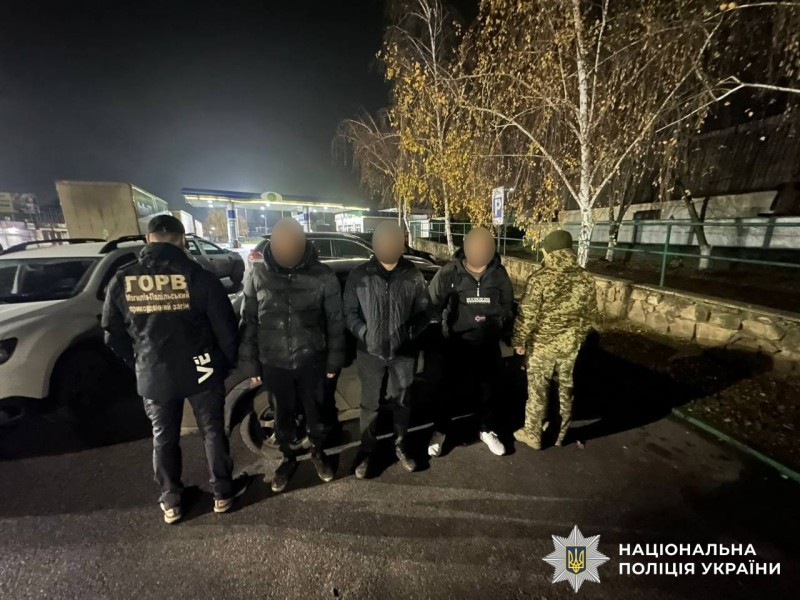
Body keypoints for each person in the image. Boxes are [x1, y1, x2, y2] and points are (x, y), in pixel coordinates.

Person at [102, 215, 245, 524]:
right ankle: (222, 493)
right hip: (201, 367)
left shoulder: (124, 279)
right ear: (182, 240)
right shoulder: (199, 277)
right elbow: (226, 330)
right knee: (212, 432)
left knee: (163, 437)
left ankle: (171, 500)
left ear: (148, 239)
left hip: (154, 372)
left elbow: (112, 334)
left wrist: (138, 363)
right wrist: (225, 363)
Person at [239, 218, 345, 493]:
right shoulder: (258, 275)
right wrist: (251, 364)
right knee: (282, 417)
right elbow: (249, 322)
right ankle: (287, 459)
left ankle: (318, 453)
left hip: (312, 360)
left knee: (317, 414)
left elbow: (336, 321)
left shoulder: (323, 275)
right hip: (274, 362)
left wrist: (334, 360)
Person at [343, 222, 430, 479]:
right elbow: (349, 313)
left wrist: (410, 333)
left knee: (402, 403)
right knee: (369, 405)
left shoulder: (413, 274)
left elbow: (424, 311)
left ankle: (400, 445)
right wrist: (365, 333)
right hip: (369, 353)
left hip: (403, 354)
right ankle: (367, 450)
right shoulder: (360, 275)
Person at [427, 226, 514, 458]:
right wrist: (440, 331)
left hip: (487, 343)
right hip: (457, 342)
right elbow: (431, 302)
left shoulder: (499, 274)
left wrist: (501, 328)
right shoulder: (450, 272)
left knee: (487, 390)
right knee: (447, 391)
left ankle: (486, 429)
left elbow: (507, 305)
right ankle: (440, 431)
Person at [512, 229, 598, 449]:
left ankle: (533, 434)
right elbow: (590, 316)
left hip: (542, 347)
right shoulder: (586, 278)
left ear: (548, 251)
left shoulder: (540, 278)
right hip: (570, 347)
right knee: (564, 391)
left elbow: (528, 315)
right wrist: (578, 338)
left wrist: (519, 341)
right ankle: (560, 435)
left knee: (538, 391)